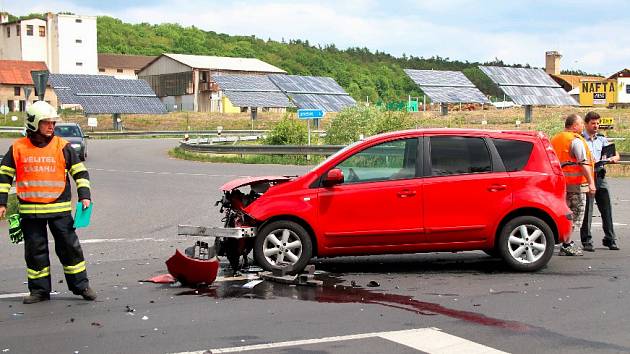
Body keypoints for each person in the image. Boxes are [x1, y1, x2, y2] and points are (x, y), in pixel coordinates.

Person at [0, 101, 96, 304]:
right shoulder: (18, 148)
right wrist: (2, 203)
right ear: (34, 124)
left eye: (53, 122)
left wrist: (84, 195)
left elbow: (80, 172)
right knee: (35, 252)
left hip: (59, 210)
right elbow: (4, 176)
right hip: (30, 211)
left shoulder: (62, 146)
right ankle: (39, 291)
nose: (52, 126)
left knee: (70, 249)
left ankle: (81, 286)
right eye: (47, 123)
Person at [551, 113, 596, 256]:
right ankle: (567, 244)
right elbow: (583, 162)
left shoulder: (555, 139)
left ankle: (562, 241)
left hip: (559, 184)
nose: (583, 126)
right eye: (581, 124)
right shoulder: (575, 140)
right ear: (574, 126)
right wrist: (591, 182)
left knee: (562, 214)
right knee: (575, 215)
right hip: (575, 185)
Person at [580, 111, 621, 251]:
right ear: (586, 124)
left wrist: (613, 158)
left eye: (598, 123)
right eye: (593, 123)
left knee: (606, 208)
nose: (596, 126)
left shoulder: (601, 139)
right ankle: (587, 240)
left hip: (600, 175)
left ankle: (610, 239)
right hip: (587, 176)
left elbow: (615, 154)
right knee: (588, 209)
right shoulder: (581, 139)